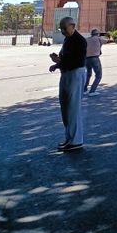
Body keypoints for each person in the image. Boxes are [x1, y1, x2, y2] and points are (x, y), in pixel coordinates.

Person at [50, 17, 87, 152]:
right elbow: (66, 59)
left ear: (73, 25)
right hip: (66, 73)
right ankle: (70, 138)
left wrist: (59, 61)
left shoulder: (80, 41)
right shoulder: (68, 39)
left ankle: (76, 140)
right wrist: (57, 64)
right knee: (65, 107)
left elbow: (76, 62)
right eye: (61, 28)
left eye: (65, 28)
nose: (63, 31)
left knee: (72, 108)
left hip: (75, 74)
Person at [84, 28, 112, 96]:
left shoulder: (86, 39)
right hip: (95, 58)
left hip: (86, 59)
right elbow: (111, 40)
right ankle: (92, 91)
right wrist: (108, 35)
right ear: (98, 34)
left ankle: (84, 89)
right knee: (98, 75)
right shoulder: (99, 39)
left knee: (88, 74)